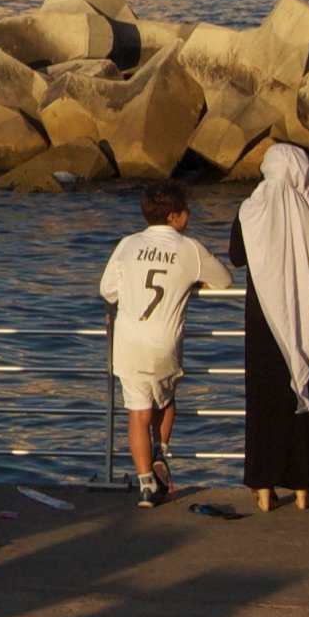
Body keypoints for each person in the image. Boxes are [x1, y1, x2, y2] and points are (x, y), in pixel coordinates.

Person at [231, 145, 309, 511]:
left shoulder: (250, 209)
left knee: (266, 398)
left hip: (263, 314)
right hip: (308, 309)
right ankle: (304, 486)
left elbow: (237, 257)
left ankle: (264, 485)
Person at [99, 180, 231, 508]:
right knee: (167, 400)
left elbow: (107, 290)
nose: (190, 214)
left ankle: (146, 484)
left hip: (129, 342)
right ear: (174, 216)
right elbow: (225, 280)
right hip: (164, 341)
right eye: (187, 209)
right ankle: (161, 452)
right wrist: (194, 282)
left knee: (137, 414)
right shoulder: (189, 248)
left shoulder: (128, 244)